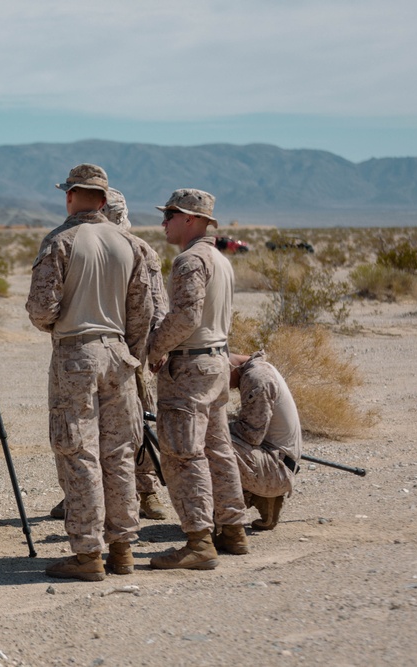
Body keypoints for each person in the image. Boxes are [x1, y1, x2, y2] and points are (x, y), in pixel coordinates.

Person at [26, 164, 152, 581]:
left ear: (69, 197)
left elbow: (42, 309)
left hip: (76, 353)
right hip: (118, 354)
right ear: (103, 199)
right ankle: (123, 548)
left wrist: (61, 325)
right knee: (118, 454)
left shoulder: (60, 242)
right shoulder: (130, 244)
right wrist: (128, 349)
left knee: (79, 451)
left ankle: (87, 552)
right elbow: (143, 312)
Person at [48, 187, 169, 522]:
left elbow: (153, 307)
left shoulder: (136, 249)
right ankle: (82, 498)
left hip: (120, 351)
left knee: (128, 429)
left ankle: (144, 491)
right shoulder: (83, 242)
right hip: (110, 350)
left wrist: (140, 351)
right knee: (85, 429)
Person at [146, 188, 249, 570]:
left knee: (183, 454)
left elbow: (186, 317)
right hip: (216, 363)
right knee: (217, 448)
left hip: (190, 367)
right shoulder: (220, 260)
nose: (164, 223)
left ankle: (198, 541)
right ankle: (233, 529)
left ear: (189, 219)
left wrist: (155, 347)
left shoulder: (190, 261)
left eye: (169, 215)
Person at [228, 351, 302, 530]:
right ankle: (262, 498)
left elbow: (251, 434)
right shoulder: (256, 372)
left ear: (227, 366)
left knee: (210, 442)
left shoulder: (257, 378)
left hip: (276, 469)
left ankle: (228, 520)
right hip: (277, 462)